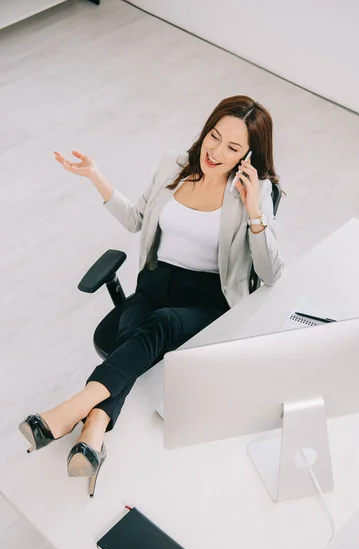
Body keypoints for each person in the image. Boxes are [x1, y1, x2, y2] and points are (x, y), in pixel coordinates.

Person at [19, 95, 284, 497]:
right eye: (214, 137)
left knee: (155, 326)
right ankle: (92, 433)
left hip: (208, 298)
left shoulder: (252, 191)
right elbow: (136, 219)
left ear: (249, 155)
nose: (216, 151)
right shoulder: (174, 165)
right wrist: (96, 176)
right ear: (206, 128)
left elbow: (270, 274)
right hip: (156, 282)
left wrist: (253, 211)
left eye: (233, 148)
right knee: (134, 327)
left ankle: (70, 411)